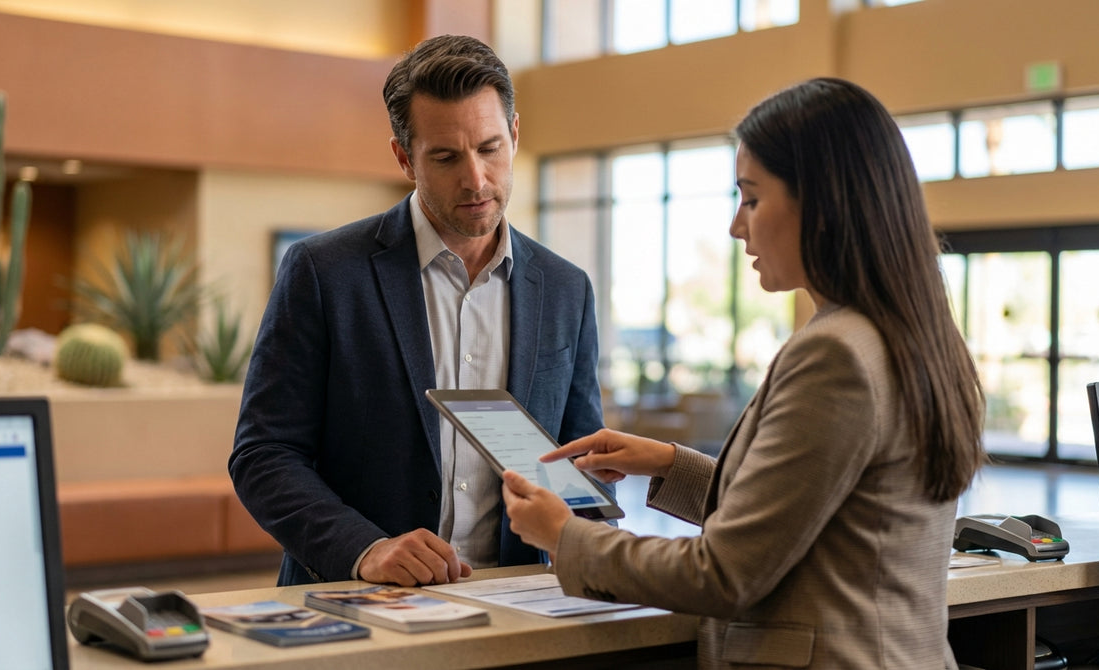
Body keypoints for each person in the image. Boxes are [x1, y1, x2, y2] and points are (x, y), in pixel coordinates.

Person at [502, 77, 986, 669]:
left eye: (752, 198)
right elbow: (809, 513)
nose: (737, 226)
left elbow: (725, 573)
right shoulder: (916, 336)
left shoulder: (835, 355)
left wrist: (563, 534)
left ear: (824, 203)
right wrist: (667, 463)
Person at [230, 34, 604, 588]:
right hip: (360, 600)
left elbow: (580, 460)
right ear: (404, 157)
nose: (476, 179)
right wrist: (365, 548)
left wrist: (593, 547)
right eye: (447, 157)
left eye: (490, 148)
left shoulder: (565, 288)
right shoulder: (323, 271)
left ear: (516, 135)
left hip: (523, 605)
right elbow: (264, 454)